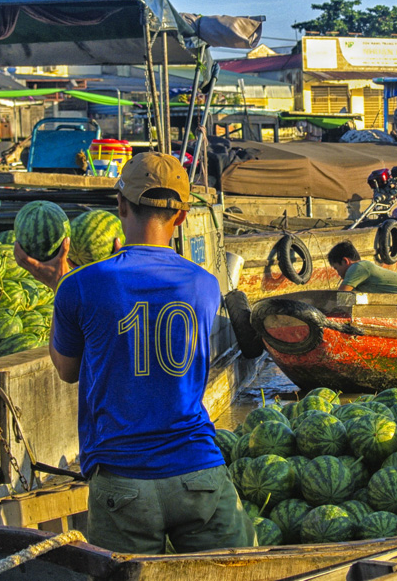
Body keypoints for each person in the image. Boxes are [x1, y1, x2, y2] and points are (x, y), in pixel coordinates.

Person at [14, 152, 255, 555]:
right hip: (198, 472)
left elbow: (67, 370)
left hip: (121, 482)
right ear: (180, 218)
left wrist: (60, 284)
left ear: (120, 206)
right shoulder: (205, 284)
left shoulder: (81, 286)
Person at [327, 241, 397, 294]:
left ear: (345, 261)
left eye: (336, 268)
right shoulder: (361, 271)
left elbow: (341, 296)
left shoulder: (357, 267)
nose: (338, 273)